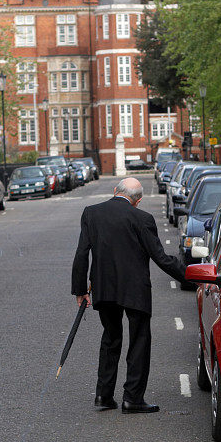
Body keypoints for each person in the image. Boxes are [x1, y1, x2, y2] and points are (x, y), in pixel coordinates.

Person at [71, 177, 186, 414]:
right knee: (139, 341)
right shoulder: (142, 218)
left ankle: (103, 395)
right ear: (138, 201)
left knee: (110, 338)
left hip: (104, 288)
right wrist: (192, 277)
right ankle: (132, 398)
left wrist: (80, 290)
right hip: (135, 290)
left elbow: (82, 253)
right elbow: (161, 258)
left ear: (115, 191)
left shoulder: (91, 213)